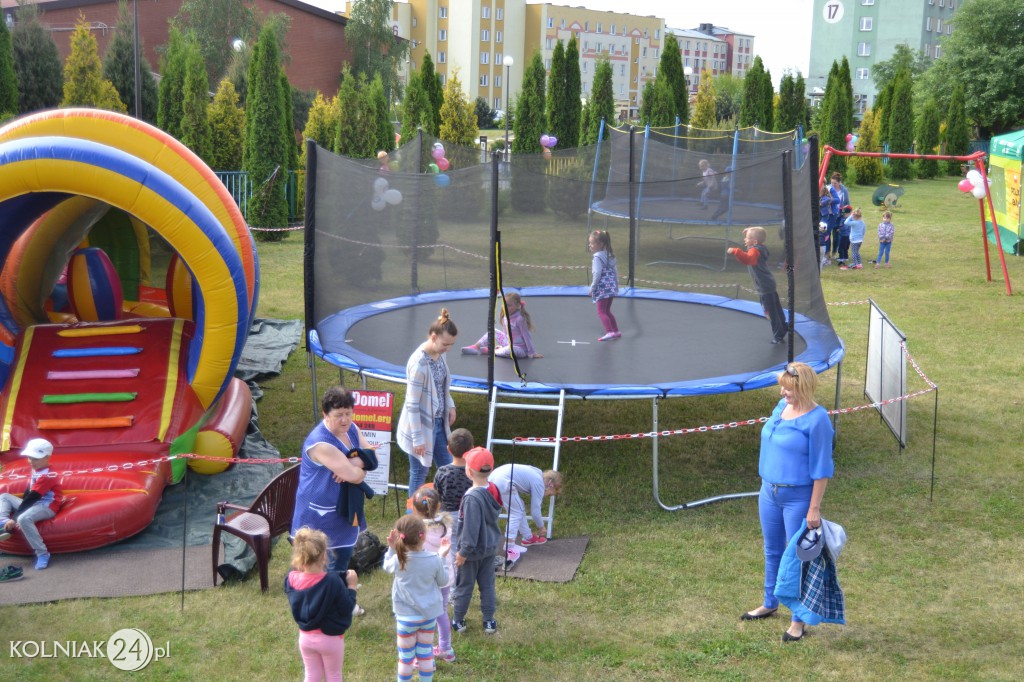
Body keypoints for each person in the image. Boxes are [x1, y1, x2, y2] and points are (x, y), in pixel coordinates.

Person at [741, 362, 834, 643]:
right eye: (782, 387)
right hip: (768, 492)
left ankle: (798, 620)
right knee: (772, 550)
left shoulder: (818, 420)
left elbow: (822, 468)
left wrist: (813, 508)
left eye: (789, 388)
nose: (783, 392)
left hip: (798, 498)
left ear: (803, 388)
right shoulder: (780, 409)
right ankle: (770, 602)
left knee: (798, 558)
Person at [291, 387, 373, 575]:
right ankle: (328, 600)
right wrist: (359, 469)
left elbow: (371, 455)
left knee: (342, 558)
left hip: (344, 507)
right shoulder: (321, 443)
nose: (345, 420)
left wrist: (355, 462)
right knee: (318, 566)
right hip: (319, 512)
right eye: (338, 415)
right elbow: (356, 476)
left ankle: (340, 597)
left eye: (348, 413)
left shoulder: (351, 428)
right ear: (325, 415)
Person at [284, 527, 360, 682]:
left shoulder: (291, 580)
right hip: (330, 640)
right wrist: (351, 587)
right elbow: (347, 608)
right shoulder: (332, 582)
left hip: (305, 638)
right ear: (325, 556)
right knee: (334, 675)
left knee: (312, 675)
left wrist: (340, 577)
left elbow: (312, 579)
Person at [398, 308, 458, 499]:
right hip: (421, 428)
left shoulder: (440, 354)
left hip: (438, 423)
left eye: (451, 345)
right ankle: (411, 521)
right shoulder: (419, 365)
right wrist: (418, 439)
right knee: (419, 473)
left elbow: (442, 385)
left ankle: (449, 508)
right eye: (445, 344)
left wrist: (450, 404)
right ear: (433, 337)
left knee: (449, 467)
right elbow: (412, 404)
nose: (448, 348)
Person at [384, 514, 450, 681]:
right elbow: (443, 581)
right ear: (424, 535)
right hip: (428, 617)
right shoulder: (434, 559)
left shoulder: (399, 559)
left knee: (406, 658)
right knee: (425, 654)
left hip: (405, 618)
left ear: (400, 538)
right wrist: (442, 557)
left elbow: (386, 566)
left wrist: (391, 548)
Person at [451, 447, 502, 635]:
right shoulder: (494, 489)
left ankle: (458, 620)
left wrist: (463, 553)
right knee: (487, 586)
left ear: (469, 471)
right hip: (490, 548)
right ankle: (489, 621)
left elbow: (470, 530)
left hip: (471, 553)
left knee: (464, 587)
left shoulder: (471, 498)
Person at [0, 438, 63, 570]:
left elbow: (33, 497)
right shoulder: (38, 468)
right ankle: (3, 520)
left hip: (47, 506)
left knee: (24, 518)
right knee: (5, 497)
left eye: (35, 458)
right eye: (30, 457)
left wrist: (15, 518)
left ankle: (42, 553)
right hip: (35, 502)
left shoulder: (47, 476)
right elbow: (29, 490)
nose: (31, 461)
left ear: (47, 457)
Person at [410, 486, 456, 664]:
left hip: (425, 581)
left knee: (423, 617)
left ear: (414, 508)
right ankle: (446, 649)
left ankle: (425, 656)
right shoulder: (446, 525)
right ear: (439, 506)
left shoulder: (416, 531)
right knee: (441, 613)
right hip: (444, 578)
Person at [488, 464, 563, 559]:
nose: (546, 495)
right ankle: (509, 546)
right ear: (550, 486)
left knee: (519, 507)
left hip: (494, 477)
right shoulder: (540, 484)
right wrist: (541, 527)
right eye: (549, 494)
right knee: (516, 512)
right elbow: (535, 511)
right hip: (503, 481)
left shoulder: (537, 472)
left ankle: (528, 537)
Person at [727, 226, 787, 344]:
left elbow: (749, 260)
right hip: (769, 283)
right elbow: (752, 252)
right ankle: (784, 327)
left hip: (764, 286)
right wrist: (750, 231)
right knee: (776, 307)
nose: (744, 239)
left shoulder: (754, 251)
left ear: (754, 241)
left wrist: (735, 251)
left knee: (769, 311)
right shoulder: (760, 248)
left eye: (747, 238)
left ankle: (778, 335)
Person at [461, 292, 543, 358]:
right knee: (493, 331)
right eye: (505, 305)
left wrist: (532, 352)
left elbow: (527, 336)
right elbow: (505, 334)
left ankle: (492, 351)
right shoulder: (505, 317)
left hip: (520, 349)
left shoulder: (520, 319)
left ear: (518, 306)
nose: (506, 307)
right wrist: (503, 344)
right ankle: (476, 347)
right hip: (509, 344)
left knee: (510, 350)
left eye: (509, 305)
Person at [433, 428, 475, 541]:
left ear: (448, 449)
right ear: (471, 449)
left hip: (447, 516)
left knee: (449, 543)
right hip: (469, 515)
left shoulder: (442, 471)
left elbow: (437, 495)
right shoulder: (474, 472)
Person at [588, 230, 621, 342]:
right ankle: (616, 331)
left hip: (602, 288)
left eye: (592, 243)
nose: (590, 245)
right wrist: (616, 285)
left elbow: (597, 273)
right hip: (611, 287)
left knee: (601, 312)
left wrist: (592, 288)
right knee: (607, 311)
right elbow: (615, 272)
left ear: (600, 244)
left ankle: (609, 332)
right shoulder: (610, 256)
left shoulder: (597, 257)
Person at [827, 173, 850, 261]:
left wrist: (844, 213)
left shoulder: (844, 191)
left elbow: (847, 204)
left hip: (839, 216)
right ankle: (827, 252)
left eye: (835, 183)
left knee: (836, 235)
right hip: (829, 215)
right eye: (832, 183)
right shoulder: (828, 188)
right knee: (827, 234)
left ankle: (834, 253)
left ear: (839, 182)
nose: (833, 185)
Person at [818, 185, 833, 266]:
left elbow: (829, 199)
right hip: (821, 215)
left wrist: (821, 203)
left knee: (822, 227)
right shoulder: (821, 197)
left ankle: (825, 235)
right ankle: (825, 235)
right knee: (820, 227)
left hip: (825, 215)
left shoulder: (825, 197)